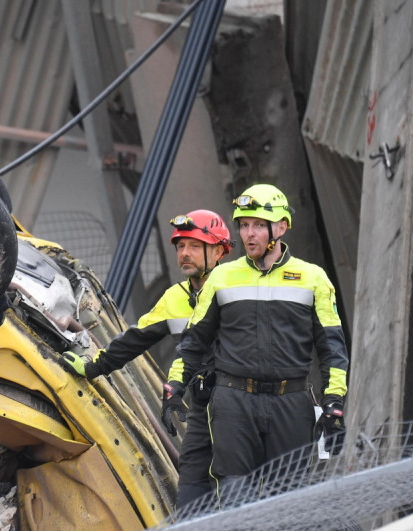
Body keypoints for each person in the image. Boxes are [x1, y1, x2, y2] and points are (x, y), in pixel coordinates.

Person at [162, 184, 349, 505]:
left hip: (291, 403)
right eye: (244, 225)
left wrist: (334, 403)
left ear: (281, 227)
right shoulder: (222, 278)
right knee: (236, 501)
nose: (249, 234)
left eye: (258, 226)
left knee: (288, 504)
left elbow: (332, 348)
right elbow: (193, 343)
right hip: (234, 404)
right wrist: (174, 387)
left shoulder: (313, 278)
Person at [62, 209, 234, 509]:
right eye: (180, 246)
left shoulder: (240, 291)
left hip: (243, 409)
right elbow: (134, 339)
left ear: (218, 250)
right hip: (201, 412)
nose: (185, 253)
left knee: (244, 492)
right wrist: (92, 367)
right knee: (192, 495)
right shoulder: (174, 297)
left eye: (194, 245)